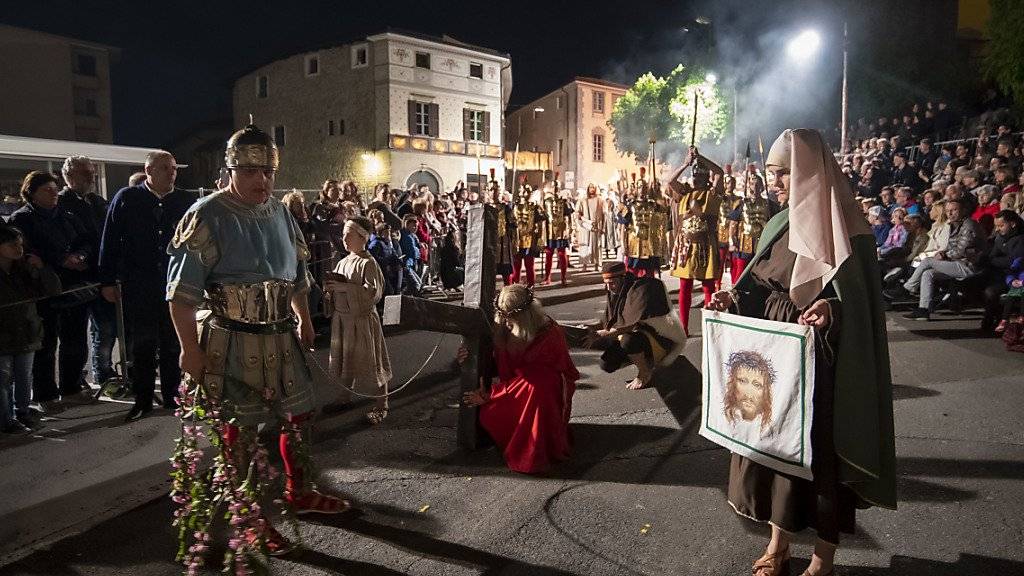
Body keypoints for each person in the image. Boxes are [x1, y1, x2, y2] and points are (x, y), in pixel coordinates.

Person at [707, 129, 896, 576]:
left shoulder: (851, 231)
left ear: (809, 173)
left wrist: (832, 307)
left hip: (819, 356)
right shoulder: (776, 223)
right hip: (775, 350)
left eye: (783, 174)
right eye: (772, 174)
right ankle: (778, 544)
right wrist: (732, 298)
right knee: (773, 448)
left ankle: (822, 557)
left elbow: (863, 303)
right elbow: (755, 282)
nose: (774, 183)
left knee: (815, 452)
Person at [167, 122, 348, 561]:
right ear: (230, 169)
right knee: (239, 434)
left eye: (268, 171)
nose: (262, 180)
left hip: (281, 334)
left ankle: (299, 490)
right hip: (230, 341)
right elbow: (180, 295)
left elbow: (299, 275)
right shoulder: (206, 214)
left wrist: (304, 318)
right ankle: (250, 518)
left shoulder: (281, 212)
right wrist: (189, 350)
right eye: (251, 172)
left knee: (299, 417)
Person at [99, 150, 197, 421]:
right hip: (139, 282)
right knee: (142, 343)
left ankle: (172, 397)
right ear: (149, 170)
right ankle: (142, 399)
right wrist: (106, 280)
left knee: (172, 342)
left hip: (174, 282)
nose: (172, 172)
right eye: (165, 168)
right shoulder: (127, 199)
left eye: (174, 168)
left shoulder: (186, 200)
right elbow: (110, 240)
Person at [461, 284, 579, 474]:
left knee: (539, 388)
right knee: (489, 415)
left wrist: (492, 394)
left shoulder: (549, 333)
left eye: (511, 317)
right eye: (504, 316)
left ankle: (535, 449)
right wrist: (468, 355)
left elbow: (533, 380)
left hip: (544, 391)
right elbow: (493, 359)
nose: (506, 322)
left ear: (525, 316)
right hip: (517, 387)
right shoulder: (504, 325)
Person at [10, 171, 98, 411]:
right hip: (44, 291)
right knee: (46, 345)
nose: (53, 194)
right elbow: (25, 252)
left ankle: (71, 387)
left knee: (76, 340)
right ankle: (45, 395)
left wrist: (81, 255)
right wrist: (59, 259)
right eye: (46, 191)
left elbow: (87, 240)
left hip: (73, 288)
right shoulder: (22, 220)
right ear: (31, 194)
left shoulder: (67, 216)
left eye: (54, 189)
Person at [57, 156, 117, 390]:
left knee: (105, 327)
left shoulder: (97, 202)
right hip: (74, 279)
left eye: (92, 173)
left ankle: (103, 372)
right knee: (74, 337)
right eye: (85, 173)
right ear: (69, 176)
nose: (91, 178)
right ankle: (71, 382)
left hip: (100, 275)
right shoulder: (61, 204)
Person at [325, 216, 393, 423]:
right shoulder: (343, 261)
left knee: (373, 361)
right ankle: (345, 395)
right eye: (343, 234)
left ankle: (382, 405)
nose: (344, 238)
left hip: (362, 320)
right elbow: (335, 290)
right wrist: (329, 291)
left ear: (362, 237)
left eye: (349, 234)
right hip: (343, 320)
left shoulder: (368, 263)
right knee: (347, 358)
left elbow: (373, 293)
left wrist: (345, 288)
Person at [587, 261, 685, 390]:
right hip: (640, 338)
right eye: (607, 284)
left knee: (628, 340)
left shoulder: (642, 288)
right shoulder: (615, 291)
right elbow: (608, 322)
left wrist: (607, 333)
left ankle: (644, 373)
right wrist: (588, 328)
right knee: (607, 364)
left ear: (623, 278)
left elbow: (632, 324)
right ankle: (644, 359)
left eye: (612, 283)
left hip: (662, 340)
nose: (609, 288)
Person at [0, 225, 61, 433]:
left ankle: (23, 411)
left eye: (19, 245)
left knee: (24, 374)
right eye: (11, 245)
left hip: (27, 329)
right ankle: (6, 419)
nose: (18, 249)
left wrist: (42, 268)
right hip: (4, 333)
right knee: (4, 377)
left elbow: (52, 289)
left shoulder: (24, 268)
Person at [895, 198, 987, 320]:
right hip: (956, 263)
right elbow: (951, 247)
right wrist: (945, 253)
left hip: (969, 265)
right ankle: (924, 309)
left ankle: (907, 288)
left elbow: (963, 250)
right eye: (948, 211)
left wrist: (945, 255)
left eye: (954, 210)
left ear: (963, 210)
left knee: (927, 262)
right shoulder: (954, 225)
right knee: (928, 273)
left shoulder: (969, 225)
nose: (950, 213)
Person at [668, 147, 723, 335]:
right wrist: (685, 163)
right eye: (695, 175)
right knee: (685, 286)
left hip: (706, 245)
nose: (697, 178)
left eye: (701, 176)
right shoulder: (684, 194)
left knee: (708, 286)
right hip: (686, 246)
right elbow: (670, 181)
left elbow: (720, 172)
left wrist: (701, 157)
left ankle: (710, 325)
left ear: (706, 177)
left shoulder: (712, 195)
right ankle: (683, 326)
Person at [981, 210, 1024, 331]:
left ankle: (993, 320)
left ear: (1012, 224)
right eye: (996, 226)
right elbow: (992, 257)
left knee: (991, 291)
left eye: (1001, 225)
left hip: (1017, 277)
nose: (998, 229)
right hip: (1001, 275)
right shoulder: (1000, 238)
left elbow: (1014, 262)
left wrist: (997, 261)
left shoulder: (1021, 239)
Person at [511, 185, 544, 287]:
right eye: (524, 191)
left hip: (530, 239)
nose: (525, 194)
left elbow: (541, 223)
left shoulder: (534, 207)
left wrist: (540, 241)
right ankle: (515, 287)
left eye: (528, 192)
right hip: (517, 239)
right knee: (516, 265)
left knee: (529, 265)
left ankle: (530, 287)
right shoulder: (514, 206)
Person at [540, 182, 572, 284]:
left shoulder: (563, 201)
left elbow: (568, 213)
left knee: (561, 254)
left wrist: (570, 229)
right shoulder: (546, 201)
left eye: (556, 188)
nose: (555, 190)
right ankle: (547, 278)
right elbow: (543, 215)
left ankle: (563, 278)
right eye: (553, 188)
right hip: (549, 231)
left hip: (561, 231)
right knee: (549, 254)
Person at [487, 181, 517, 284]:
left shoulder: (505, 208)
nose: (494, 193)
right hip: (489, 244)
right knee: (489, 273)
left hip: (503, 243)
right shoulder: (484, 208)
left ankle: (508, 292)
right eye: (492, 190)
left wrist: (513, 242)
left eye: (496, 190)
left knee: (506, 271)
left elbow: (513, 224)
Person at [576, 184, 604, 273]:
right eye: (590, 187)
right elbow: (578, 213)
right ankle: (584, 265)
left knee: (596, 245)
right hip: (585, 226)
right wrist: (584, 221)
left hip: (596, 226)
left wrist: (602, 227)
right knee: (585, 246)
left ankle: (597, 264)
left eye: (593, 187)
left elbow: (603, 214)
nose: (592, 189)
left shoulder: (600, 200)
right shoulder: (583, 200)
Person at [398, 214, 423, 295]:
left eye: (416, 226)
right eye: (413, 226)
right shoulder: (406, 237)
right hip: (406, 264)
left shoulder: (412, 236)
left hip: (410, 264)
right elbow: (412, 251)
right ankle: (403, 297)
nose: (415, 228)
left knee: (417, 283)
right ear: (407, 225)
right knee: (416, 284)